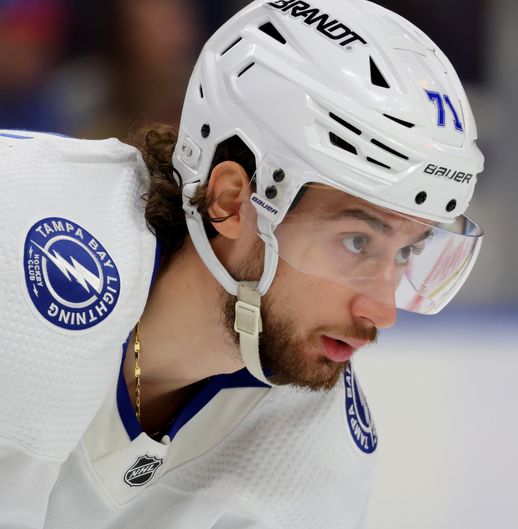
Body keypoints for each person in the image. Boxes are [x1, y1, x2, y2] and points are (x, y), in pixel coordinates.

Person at [0, 0, 484, 527]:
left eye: (408, 251)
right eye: (356, 242)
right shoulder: (22, 231)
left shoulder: (312, 444)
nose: (383, 309)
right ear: (232, 201)